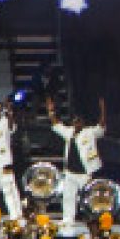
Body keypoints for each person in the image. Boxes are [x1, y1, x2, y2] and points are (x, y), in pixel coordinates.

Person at [47, 96, 106, 224]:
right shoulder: (69, 132)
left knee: (88, 197)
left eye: (79, 122)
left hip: (84, 173)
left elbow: (101, 126)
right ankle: (68, 219)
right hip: (70, 172)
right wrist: (51, 111)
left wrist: (102, 109)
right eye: (75, 122)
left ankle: (92, 219)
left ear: (83, 123)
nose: (77, 124)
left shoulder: (90, 133)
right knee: (68, 197)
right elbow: (56, 125)